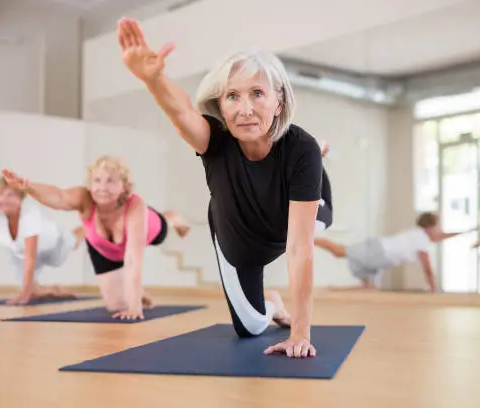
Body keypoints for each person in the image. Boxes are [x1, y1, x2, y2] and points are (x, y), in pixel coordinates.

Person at [117, 17, 334, 359]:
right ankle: (271, 302)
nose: (245, 109)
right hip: (238, 234)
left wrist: (300, 333)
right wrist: (153, 79)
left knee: (313, 199)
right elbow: (181, 112)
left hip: (291, 221)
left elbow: (299, 251)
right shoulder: (213, 140)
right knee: (249, 327)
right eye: (233, 96)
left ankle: (314, 166)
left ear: (278, 102)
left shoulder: (299, 146)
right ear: (221, 105)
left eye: (257, 94)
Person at [1, 155, 191, 320]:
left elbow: (132, 259)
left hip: (149, 231)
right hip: (104, 249)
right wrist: (28, 186)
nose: (102, 187)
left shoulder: (135, 205)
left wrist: (134, 305)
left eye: (110, 181)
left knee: (163, 229)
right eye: (97, 180)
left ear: (125, 187)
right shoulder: (85, 199)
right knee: (116, 306)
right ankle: (138, 293)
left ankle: (173, 217)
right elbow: (58, 196)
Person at [314, 212, 475, 293]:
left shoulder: (420, 234)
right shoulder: (422, 239)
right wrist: (433, 288)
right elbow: (427, 267)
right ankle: (308, 239)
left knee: (370, 289)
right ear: (430, 228)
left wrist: (463, 233)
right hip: (378, 251)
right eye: (437, 227)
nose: (439, 232)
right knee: (339, 251)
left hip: (380, 258)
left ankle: (333, 290)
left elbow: (440, 237)